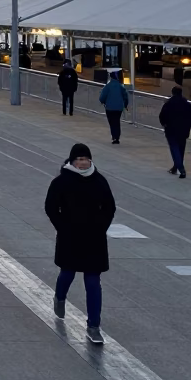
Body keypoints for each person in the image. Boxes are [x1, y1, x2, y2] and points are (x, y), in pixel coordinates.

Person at [44, 144, 115, 345]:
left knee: (93, 282)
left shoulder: (99, 180)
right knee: (67, 273)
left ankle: (94, 326)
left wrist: (101, 227)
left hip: (94, 238)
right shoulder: (61, 181)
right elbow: (50, 207)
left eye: (86, 159)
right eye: (79, 159)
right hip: (70, 237)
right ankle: (59, 297)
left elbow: (110, 207)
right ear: (72, 160)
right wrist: (62, 227)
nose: (83, 162)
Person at [159, 87, 191, 178]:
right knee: (181, 149)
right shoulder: (187, 104)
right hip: (183, 130)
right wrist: (189, 126)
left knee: (174, 148)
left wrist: (164, 124)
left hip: (171, 129)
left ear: (172, 93)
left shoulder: (168, 104)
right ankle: (176, 167)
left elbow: (162, 116)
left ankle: (181, 168)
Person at [98, 71, 129, 144]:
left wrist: (102, 101)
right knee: (117, 121)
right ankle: (117, 136)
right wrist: (125, 104)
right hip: (119, 108)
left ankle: (114, 136)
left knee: (111, 122)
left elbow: (102, 97)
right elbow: (125, 96)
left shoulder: (108, 86)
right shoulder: (120, 86)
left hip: (109, 107)